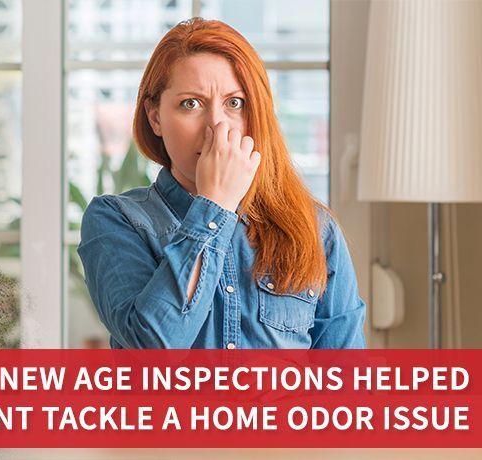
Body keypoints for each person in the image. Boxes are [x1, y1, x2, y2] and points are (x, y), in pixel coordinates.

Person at [78, 18, 365, 350]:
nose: (216, 125)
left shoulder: (315, 229)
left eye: (235, 103)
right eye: (191, 104)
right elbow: (154, 351)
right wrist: (215, 205)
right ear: (155, 117)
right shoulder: (117, 220)